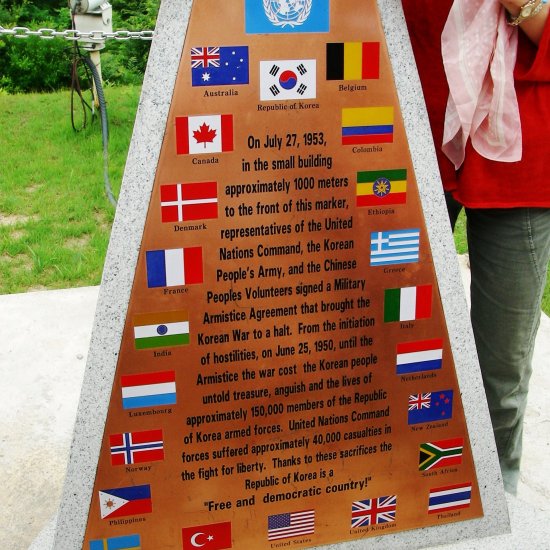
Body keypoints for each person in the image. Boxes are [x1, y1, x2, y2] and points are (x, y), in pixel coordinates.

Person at [402, 0, 550, 494]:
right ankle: (391, 480)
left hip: (520, 154)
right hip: (405, 133)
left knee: (501, 361)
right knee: (388, 332)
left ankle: (496, 494)